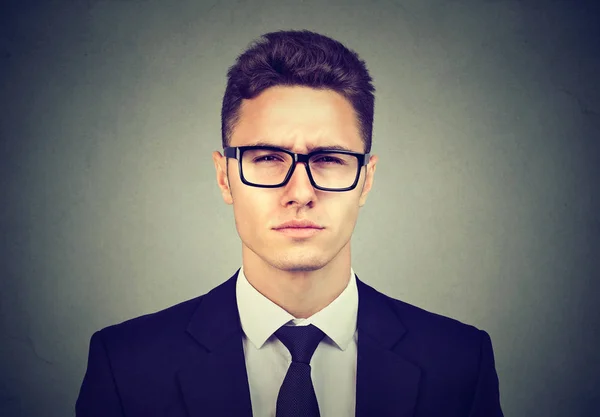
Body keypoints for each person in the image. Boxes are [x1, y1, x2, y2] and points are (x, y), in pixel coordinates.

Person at [76, 29, 504, 417]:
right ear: (225, 177)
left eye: (329, 159)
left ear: (366, 180)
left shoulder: (460, 362)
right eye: (266, 158)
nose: (300, 192)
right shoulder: (126, 365)